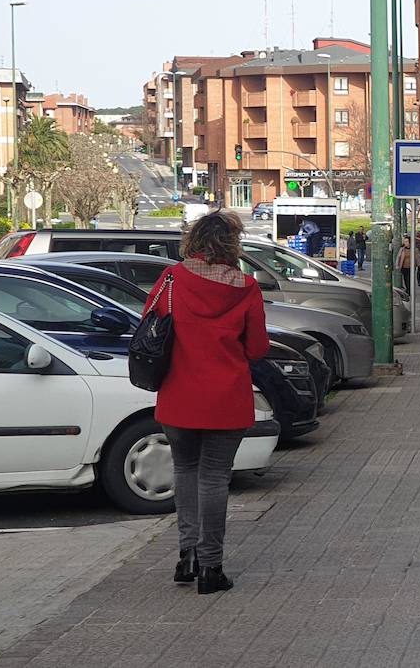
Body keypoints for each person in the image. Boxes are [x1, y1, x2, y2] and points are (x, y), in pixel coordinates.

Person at [147, 210, 268, 595]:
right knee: (215, 478)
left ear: (193, 241)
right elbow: (257, 348)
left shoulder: (171, 279)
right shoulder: (247, 288)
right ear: (233, 245)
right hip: (226, 399)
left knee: (184, 472)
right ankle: (211, 568)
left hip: (179, 395)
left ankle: (187, 556)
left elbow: (149, 323)